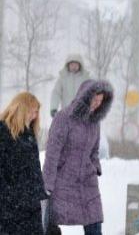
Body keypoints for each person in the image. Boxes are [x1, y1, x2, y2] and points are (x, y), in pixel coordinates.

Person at [43, 80, 113, 235]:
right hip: (64, 181)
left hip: (88, 182)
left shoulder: (95, 122)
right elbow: (52, 153)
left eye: (100, 101)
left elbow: (94, 150)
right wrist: (47, 183)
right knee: (50, 223)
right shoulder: (63, 118)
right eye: (94, 99)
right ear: (84, 96)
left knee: (94, 221)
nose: (96, 104)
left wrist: (95, 167)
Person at [0, 92, 47, 235]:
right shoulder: (3, 131)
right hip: (10, 206)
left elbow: (35, 167)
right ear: (22, 108)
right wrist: (10, 195)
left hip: (31, 205)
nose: (35, 115)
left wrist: (40, 192)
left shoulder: (29, 134)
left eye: (37, 112)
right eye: (33, 110)